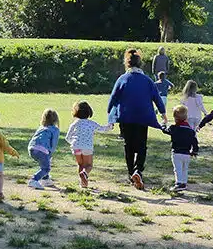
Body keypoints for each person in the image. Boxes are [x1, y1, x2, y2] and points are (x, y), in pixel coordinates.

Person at [107, 49, 167, 189]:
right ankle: (138, 170)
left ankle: (130, 173)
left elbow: (113, 98)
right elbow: (157, 98)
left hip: (126, 116)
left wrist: (109, 113)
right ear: (140, 64)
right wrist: (163, 114)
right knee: (141, 145)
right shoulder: (147, 80)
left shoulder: (122, 79)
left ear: (127, 64)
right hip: (143, 116)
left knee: (128, 145)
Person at [65, 101, 114, 188]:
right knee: (88, 165)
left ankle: (83, 183)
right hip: (87, 147)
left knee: (80, 165)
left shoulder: (74, 124)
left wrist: (73, 143)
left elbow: (67, 137)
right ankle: (85, 174)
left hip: (76, 147)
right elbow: (102, 129)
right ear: (89, 112)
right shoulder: (91, 124)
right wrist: (110, 125)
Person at [161, 104, 199, 192]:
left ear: (175, 118)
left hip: (176, 152)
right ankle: (184, 182)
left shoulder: (173, 128)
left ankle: (179, 183)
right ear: (186, 118)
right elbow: (195, 142)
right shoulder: (190, 130)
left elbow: (164, 131)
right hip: (187, 153)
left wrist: (163, 124)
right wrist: (195, 151)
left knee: (177, 169)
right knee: (184, 168)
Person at [27, 109, 60, 190]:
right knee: (46, 168)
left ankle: (45, 179)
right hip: (42, 150)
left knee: (44, 163)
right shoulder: (55, 130)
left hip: (31, 148)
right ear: (56, 119)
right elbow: (54, 143)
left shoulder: (41, 127)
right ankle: (34, 180)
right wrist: (50, 153)